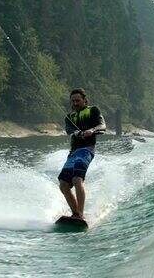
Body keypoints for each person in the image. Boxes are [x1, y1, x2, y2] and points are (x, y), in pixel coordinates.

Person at [58, 88, 106, 220]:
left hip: (87, 149)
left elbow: (102, 125)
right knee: (63, 184)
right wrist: (78, 133)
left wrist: (92, 130)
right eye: (73, 101)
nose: (75, 103)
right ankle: (76, 214)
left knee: (77, 179)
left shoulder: (93, 110)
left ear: (85, 100)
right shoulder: (69, 117)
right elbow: (70, 130)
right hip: (73, 152)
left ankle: (81, 214)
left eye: (78, 100)